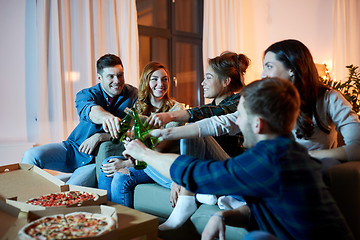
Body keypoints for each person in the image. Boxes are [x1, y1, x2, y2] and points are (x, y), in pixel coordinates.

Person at [123, 77, 354, 240]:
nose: (237, 123)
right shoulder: (290, 154)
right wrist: (224, 216)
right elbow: (261, 207)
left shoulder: (269, 161)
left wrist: (143, 153)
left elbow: (195, 173)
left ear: (258, 124)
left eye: (240, 116)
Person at [146, 52, 250, 230]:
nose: (202, 83)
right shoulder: (213, 104)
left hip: (228, 168)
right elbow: (205, 111)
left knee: (194, 128)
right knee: (146, 159)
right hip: (207, 170)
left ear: (226, 81)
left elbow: (210, 116)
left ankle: (187, 195)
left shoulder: (239, 101)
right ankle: (199, 190)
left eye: (208, 77)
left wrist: (168, 119)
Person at [22, 54, 138, 187]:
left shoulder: (134, 95)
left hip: (93, 162)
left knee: (70, 191)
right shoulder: (86, 94)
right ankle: (27, 199)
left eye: (120, 75)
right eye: (111, 76)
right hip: (73, 149)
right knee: (31, 155)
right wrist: (107, 118)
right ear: (99, 78)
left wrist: (100, 136)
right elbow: (91, 111)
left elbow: (133, 131)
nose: (117, 81)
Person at [97, 62, 185, 207]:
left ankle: (124, 224)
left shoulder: (176, 109)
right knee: (107, 164)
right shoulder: (138, 108)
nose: (160, 84)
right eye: (154, 79)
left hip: (161, 161)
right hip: (141, 158)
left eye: (165, 79)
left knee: (121, 176)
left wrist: (126, 163)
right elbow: (124, 134)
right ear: (146, 81)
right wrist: (101, 137)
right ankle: (107, 216)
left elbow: (160, 148)